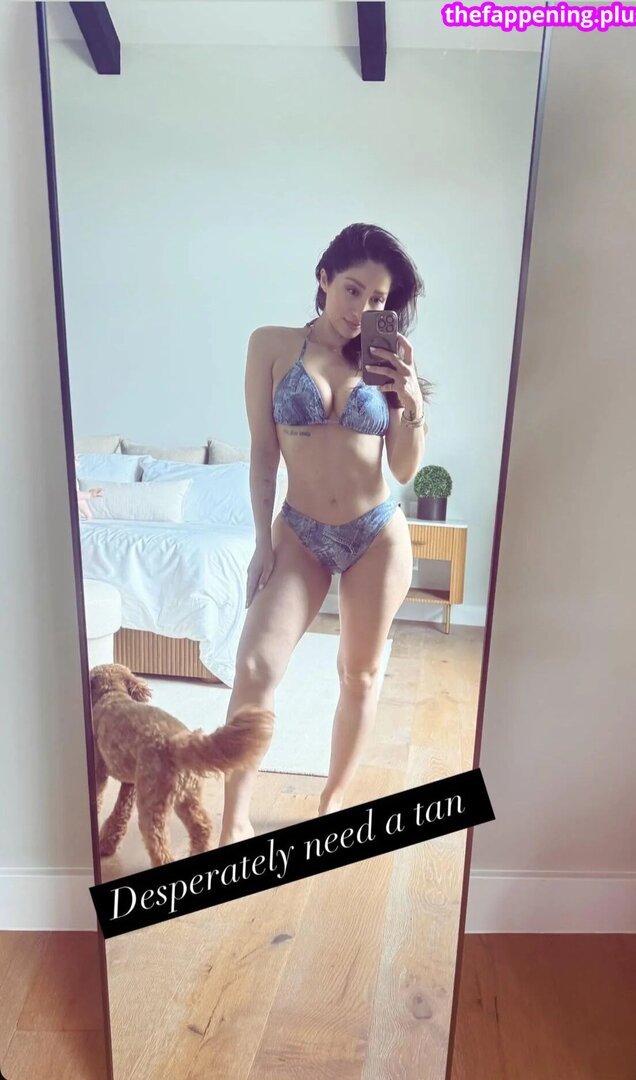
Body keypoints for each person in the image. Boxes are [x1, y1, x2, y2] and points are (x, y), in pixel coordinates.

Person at [219, 223, 430, 847]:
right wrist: (263, 542)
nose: (362, 308)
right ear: (324, 279)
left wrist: (410, 401)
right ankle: (234, 817)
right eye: (352, 289)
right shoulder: (270, 345)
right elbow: (264, 453)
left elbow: (404, 469)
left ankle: (332, 800)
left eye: (377, 299)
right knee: (255, 664)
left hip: (375, 533)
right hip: (300, 532)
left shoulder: (388, 361)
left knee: (359, 674)